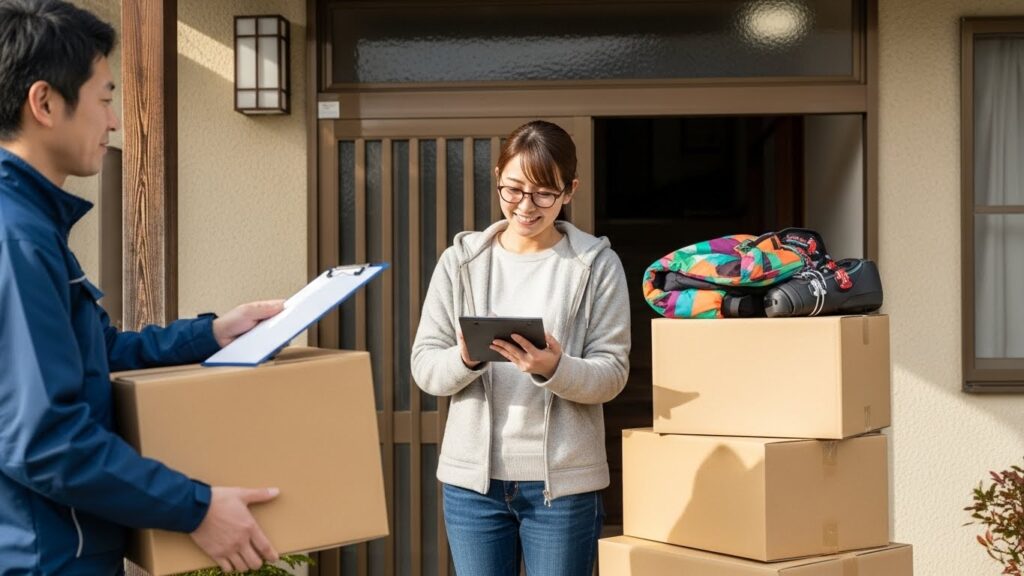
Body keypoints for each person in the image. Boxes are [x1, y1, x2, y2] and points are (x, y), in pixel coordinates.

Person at [0, 0, 283, 572]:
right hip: (44, 557)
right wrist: (196, 508)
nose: (112, 120)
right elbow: (42, 438)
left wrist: (210, 335)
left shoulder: (30, 225)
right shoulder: (16, 238)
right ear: (45, 102)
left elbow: (93, 355)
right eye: (105, 98)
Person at [411, 120, 631, 575]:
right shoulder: (461, 262)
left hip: (563, 486)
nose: (525, 207)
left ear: (570, 191)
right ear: (497, 178)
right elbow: (425, 367)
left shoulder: (596, 265)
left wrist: (556, 368)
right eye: (513, 190)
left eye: (543, 194)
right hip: (472, 485)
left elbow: (612, 374)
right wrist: (467, 356)